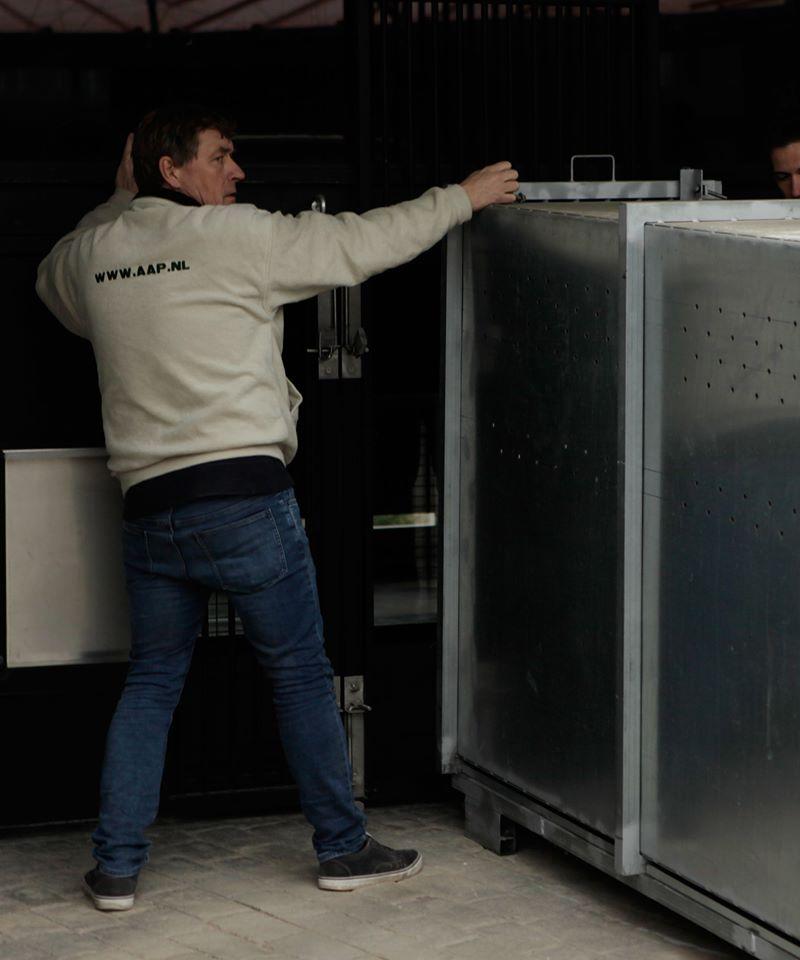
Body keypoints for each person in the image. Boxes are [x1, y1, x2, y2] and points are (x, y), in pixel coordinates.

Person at [35, 104, 519, 911]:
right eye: (220, 156)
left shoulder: (95, 253)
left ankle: (115, 868)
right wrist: (461, 199)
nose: (238, 171)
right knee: (298, 676)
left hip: (151, 509)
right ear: (171, 169)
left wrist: (118, 198)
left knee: (151, 684)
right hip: (244, 500)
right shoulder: (237, 238)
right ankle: (343, 848)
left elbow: (51, 274)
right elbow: (362, 242)